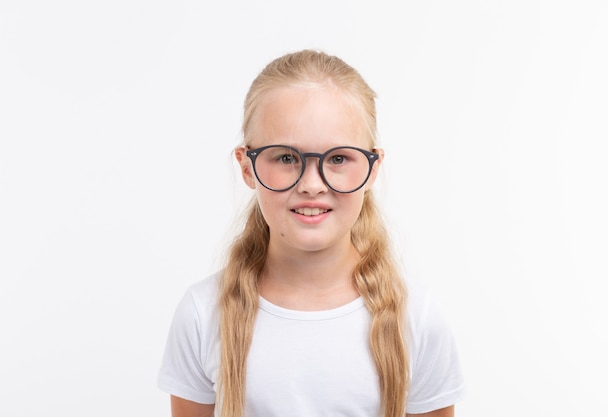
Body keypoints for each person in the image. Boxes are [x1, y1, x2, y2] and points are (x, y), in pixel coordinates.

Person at [157, 49, 465, 417]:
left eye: (337, 159)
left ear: (372, 167)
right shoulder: (202, 313)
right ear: (247, 167)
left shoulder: (416, 317)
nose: (312, 184)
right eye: (286, 158)